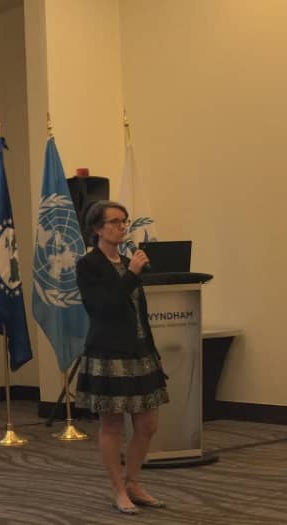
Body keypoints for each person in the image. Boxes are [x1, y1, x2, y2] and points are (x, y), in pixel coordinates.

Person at [75, 200, 169, 515]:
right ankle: (118, 489)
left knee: (148, 423)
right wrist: (130, 275)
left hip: (140, 351)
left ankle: (133, 481)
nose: (122, 227)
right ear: (98, 229)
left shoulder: (129, 263)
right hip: (109, 352)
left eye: (124, 221)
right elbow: (103, 308)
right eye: (115, 222)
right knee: (112, 424)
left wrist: (153, 351)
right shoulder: (88, 265)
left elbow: (139, 311)